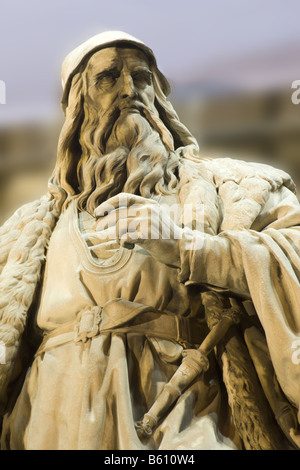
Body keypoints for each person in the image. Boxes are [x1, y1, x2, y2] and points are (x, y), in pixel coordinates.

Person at [0, 31, 299, 450]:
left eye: (142, 78)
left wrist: (187, 247)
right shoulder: (26, 233)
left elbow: (294, 258)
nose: (129, 90)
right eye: (108, 78)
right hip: (51, 423)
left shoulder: (237, 188)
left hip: (184, 416)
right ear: (77, 106)